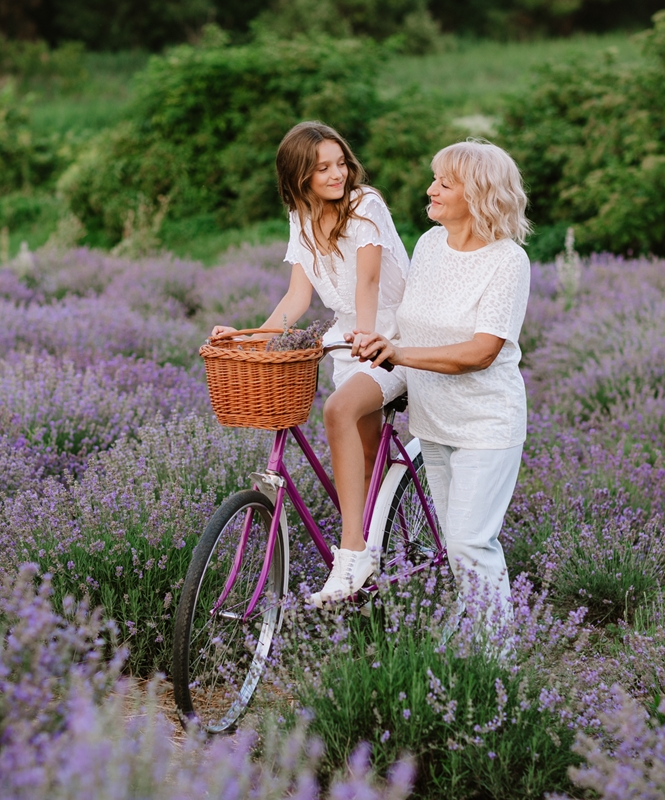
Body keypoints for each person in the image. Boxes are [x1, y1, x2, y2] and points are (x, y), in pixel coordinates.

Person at [212, 121, 411, 605]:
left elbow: (367, 283)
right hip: (351, 336)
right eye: (322, 167)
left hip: (395, 335)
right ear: (299, 176)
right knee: (364, 457)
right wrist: (251, 338)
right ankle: (370, 554)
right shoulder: (299, 218)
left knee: (338, 411)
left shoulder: (366, 205)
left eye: (340, 163)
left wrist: (367, 337)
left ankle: (351, 554)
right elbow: (297, 298)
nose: (337, 174)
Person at [351, 139, 531, 615]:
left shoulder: (507, 260)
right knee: (456, 546)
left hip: (485, 424)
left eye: (443, 183)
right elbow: (409, 317)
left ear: (477, 195)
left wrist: (401, 354)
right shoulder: (430, 245)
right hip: (433, 422)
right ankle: (471, 645)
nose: (429, 190)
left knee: (472, 543)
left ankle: (497, 666)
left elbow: (481, 351)